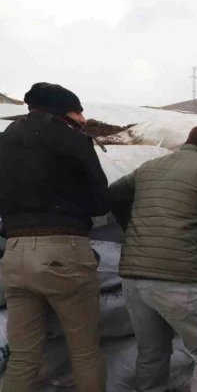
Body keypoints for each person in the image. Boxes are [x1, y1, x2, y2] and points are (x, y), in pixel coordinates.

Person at [0, 82, 110, 392]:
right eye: (77, 111)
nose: (83, 119)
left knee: (22, 358)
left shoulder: (4, 140)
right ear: (62, 112)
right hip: (63, 251)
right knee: (86, 352)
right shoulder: (72, 139)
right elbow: (101, 202)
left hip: (14, 254)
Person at [109, 126, 197, 392]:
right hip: (177, 277)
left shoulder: (149, 167)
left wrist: (132, 228)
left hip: (133, 278)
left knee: (152, 351)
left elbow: (114, 194)